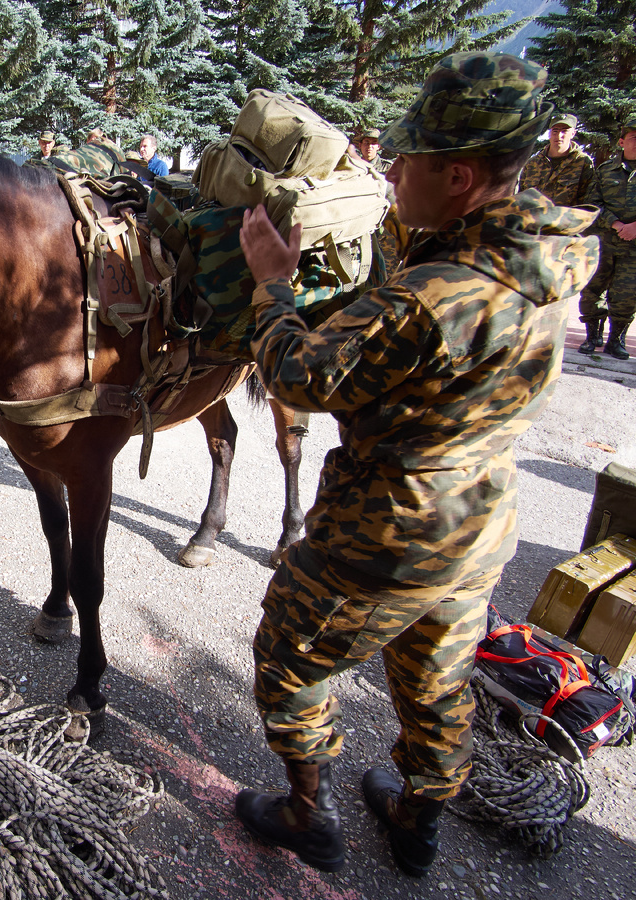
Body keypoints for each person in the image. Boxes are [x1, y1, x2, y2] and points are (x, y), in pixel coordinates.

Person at [232, 52, 599, 878]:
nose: (391, 173)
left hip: (387, 531)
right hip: (479, 518)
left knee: (290, 658)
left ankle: (305, 812)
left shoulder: (436, 295)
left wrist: (272, 288)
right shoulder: (546, 252)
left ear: (461, 176)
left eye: (408, 162)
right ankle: (416, 820)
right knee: (436, 679)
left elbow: (299, 374)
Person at [577, 116, 636, 359]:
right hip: (603, 241)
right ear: (622, 142)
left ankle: (616, 340)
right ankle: (593, 335)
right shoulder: (605, 170)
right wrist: (616, 223)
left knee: (627, 294)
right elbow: (593, 203)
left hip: (634, 247)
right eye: (634, 138)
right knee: (592, 289)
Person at [518, 113, 595, 208]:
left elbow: (587, 201)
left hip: (564, 221)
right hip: (533, 220)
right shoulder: (532, 163)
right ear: (549, 133)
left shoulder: (582, 162)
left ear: (573, 133)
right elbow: (520, 197)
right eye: (555, 131)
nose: (559, 136)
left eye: (564, 131)